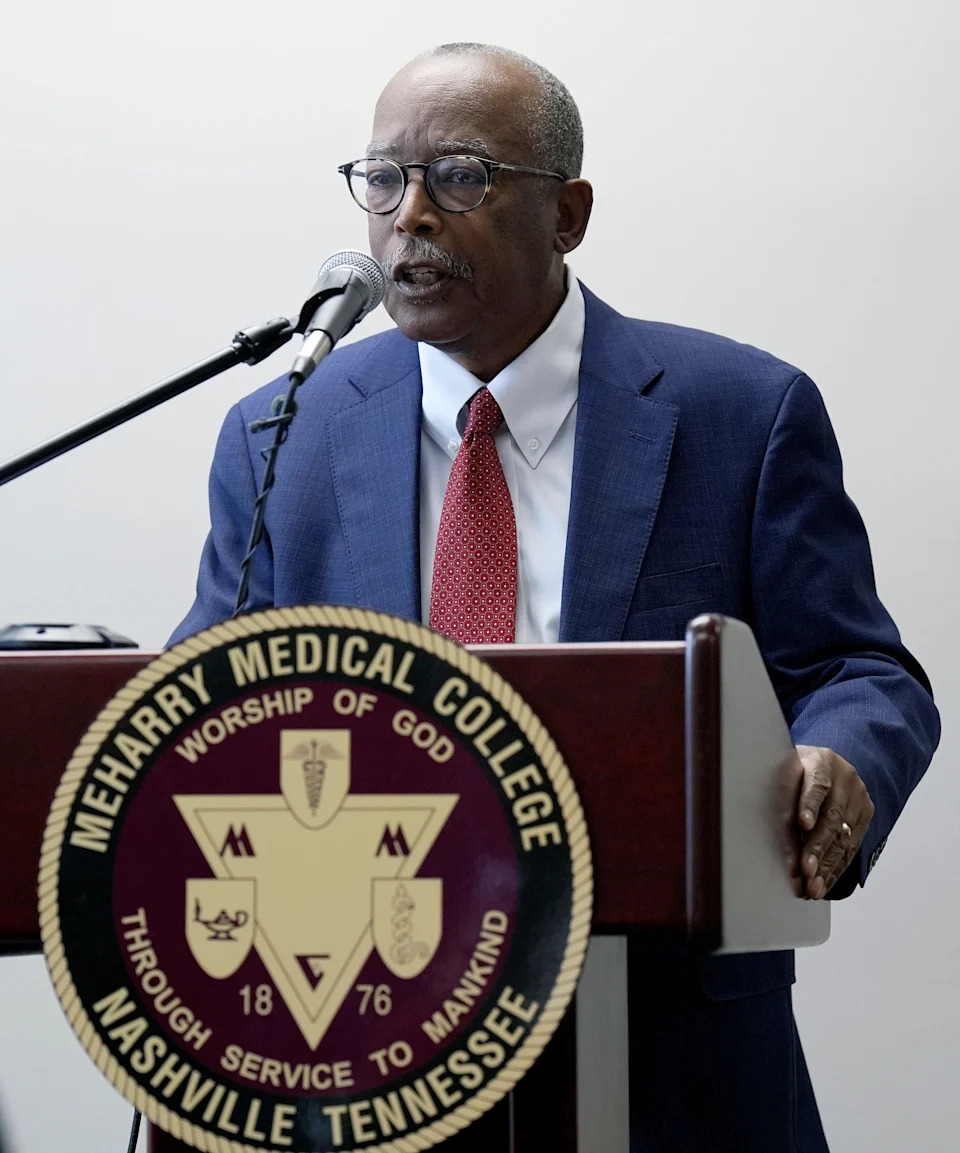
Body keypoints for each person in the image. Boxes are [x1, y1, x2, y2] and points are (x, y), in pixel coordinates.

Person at [170, 43, 940, 1152]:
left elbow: (858, 670)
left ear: (568, 214)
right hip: (364, 1035)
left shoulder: (741, 411)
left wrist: (843, 756)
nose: (410, 215)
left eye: (461, 177)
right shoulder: (282, 433)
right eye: (383, 178)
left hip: (670, 1051)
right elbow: (205, 709)